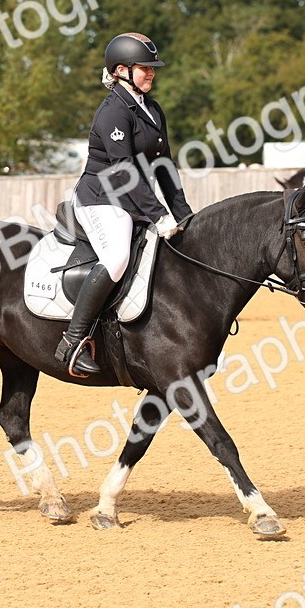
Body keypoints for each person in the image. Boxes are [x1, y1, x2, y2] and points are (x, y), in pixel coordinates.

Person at [57, 32, 194, 377]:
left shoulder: (151, 109)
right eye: (145, 68)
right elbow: (123, 171)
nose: (151, 73)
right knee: (117, 258)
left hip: (130, 201)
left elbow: (164, 166)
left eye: (152, 68)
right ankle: (72, 341)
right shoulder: (113, 111)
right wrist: (159, 214)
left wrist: (184, 214)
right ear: (120, 70)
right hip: (100, 199)